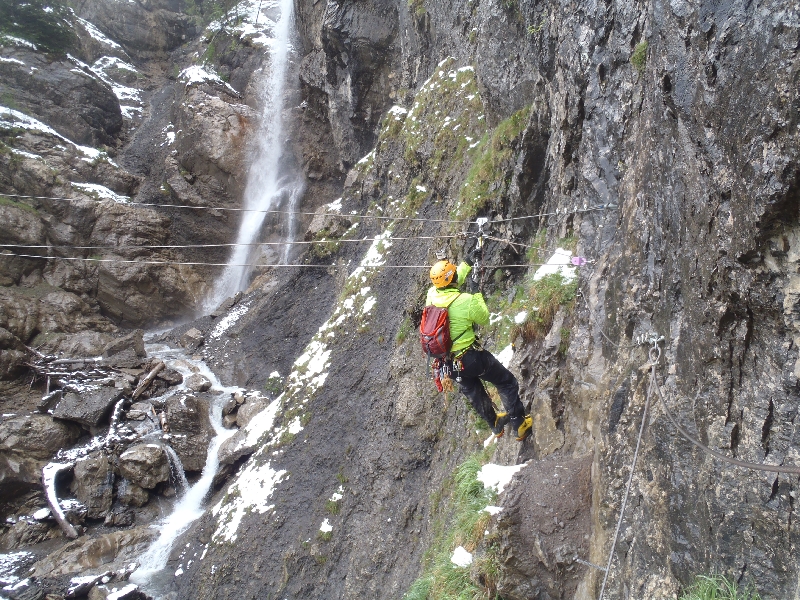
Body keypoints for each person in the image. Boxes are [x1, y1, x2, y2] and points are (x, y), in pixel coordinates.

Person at [426, 253, 532, 441]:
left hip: (447, 363)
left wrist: (466, 262)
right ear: (452, 278)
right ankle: (519, 424)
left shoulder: (432, 294)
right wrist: (476, 294)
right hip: (471, 358)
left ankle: (494, 423)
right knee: (505, 382)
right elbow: (484, 318)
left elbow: (452, 279)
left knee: (474, 393)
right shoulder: (465, 300)